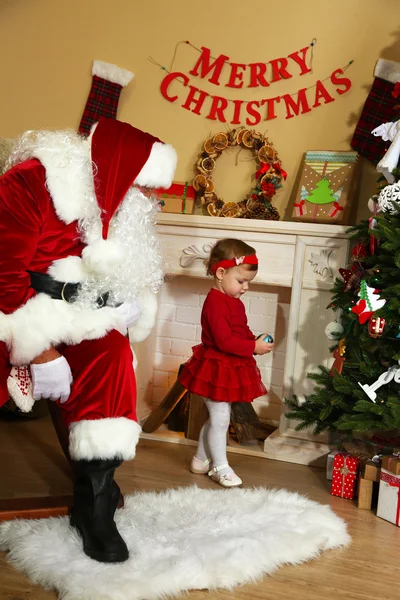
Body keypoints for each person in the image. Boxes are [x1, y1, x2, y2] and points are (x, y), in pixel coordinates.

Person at [0, 117, 177, 562]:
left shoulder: (117, 207)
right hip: (13, 309)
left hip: (75, 313)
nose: (150, 201)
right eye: (146, 188)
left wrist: (125, 300)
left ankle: (94, 506)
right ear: (117, 172)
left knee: (112, 355)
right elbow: (2, 276)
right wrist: (38, 351)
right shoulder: (35, 181)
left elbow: (111, 267)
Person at [178, 238, 274, 488]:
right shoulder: (215, 303)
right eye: (241, 281)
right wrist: (252, 347)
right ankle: (220, 467)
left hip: (230, 367)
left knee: (218, 417)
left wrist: (253, 340)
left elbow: (239, 330)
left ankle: (200, 459)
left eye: (248, 283)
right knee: (221, 418)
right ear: (221, 273)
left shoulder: (234, 301)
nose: (245, 288)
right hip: (216, 368)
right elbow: (223, 341)